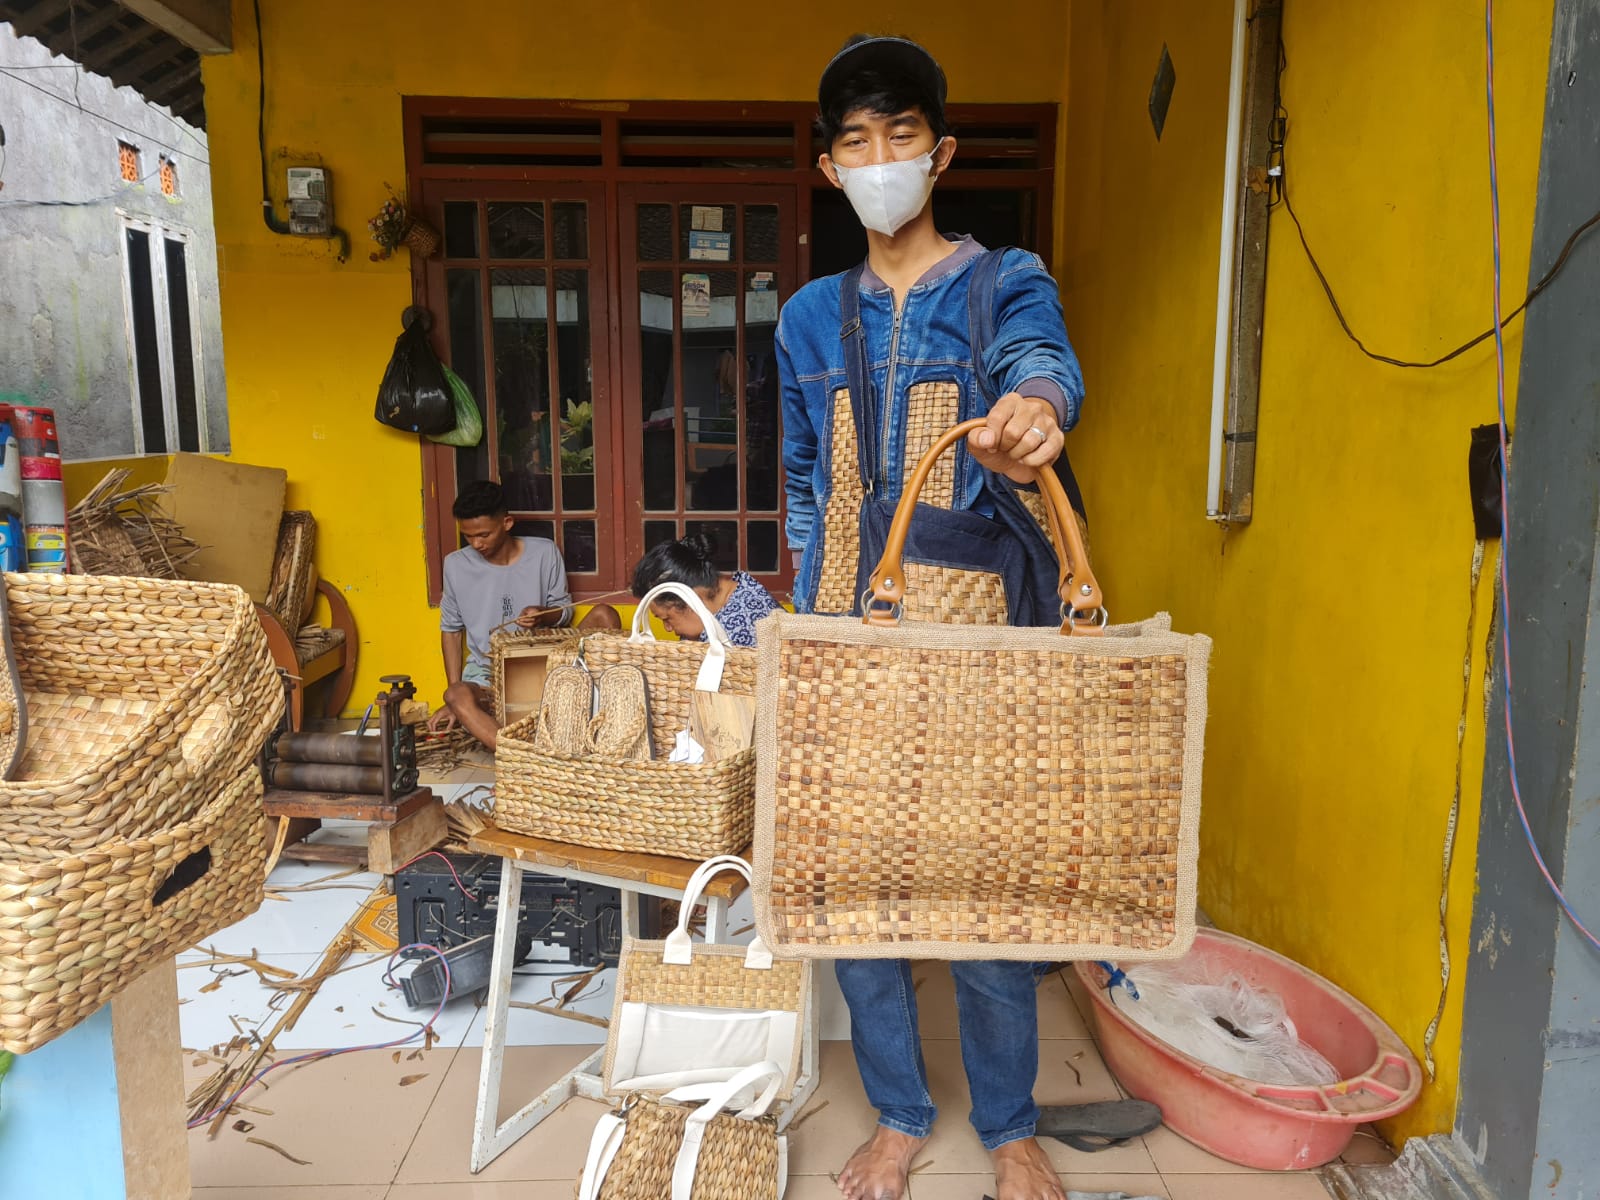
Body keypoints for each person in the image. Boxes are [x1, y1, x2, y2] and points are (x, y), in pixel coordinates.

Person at [774, 34, 1086, 1200]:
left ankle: (1007, 1127)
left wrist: (1035, 406)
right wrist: (805, 630)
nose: (881, 158)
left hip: (979, 644)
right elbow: (807, 478)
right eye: (857, 142)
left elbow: (1043, 361)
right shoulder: (807, 317)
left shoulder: (1002, 277)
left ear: (939, 151)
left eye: (902, 135)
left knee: (986, 890)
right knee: (857, 895)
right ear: (830, 169)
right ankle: (901, 1114)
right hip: (851, 642)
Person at [430, 480, 619, 750]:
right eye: (468, 536)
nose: (476, 543)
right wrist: (452, 700)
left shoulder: (544, 552)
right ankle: (520, 755)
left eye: (483, 534)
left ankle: (605, 722)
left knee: (605, 615)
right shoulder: (456, 565)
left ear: (507, 523)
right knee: (456, 694)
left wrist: (542, 615)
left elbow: (564, 613)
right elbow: (450, 629)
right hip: (486, 673)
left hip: (547, 662)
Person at [630, 534, 781, 647]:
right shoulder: (743, 589)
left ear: (691, 597)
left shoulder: (738, 633)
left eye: (666, 618)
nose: (668, 628)